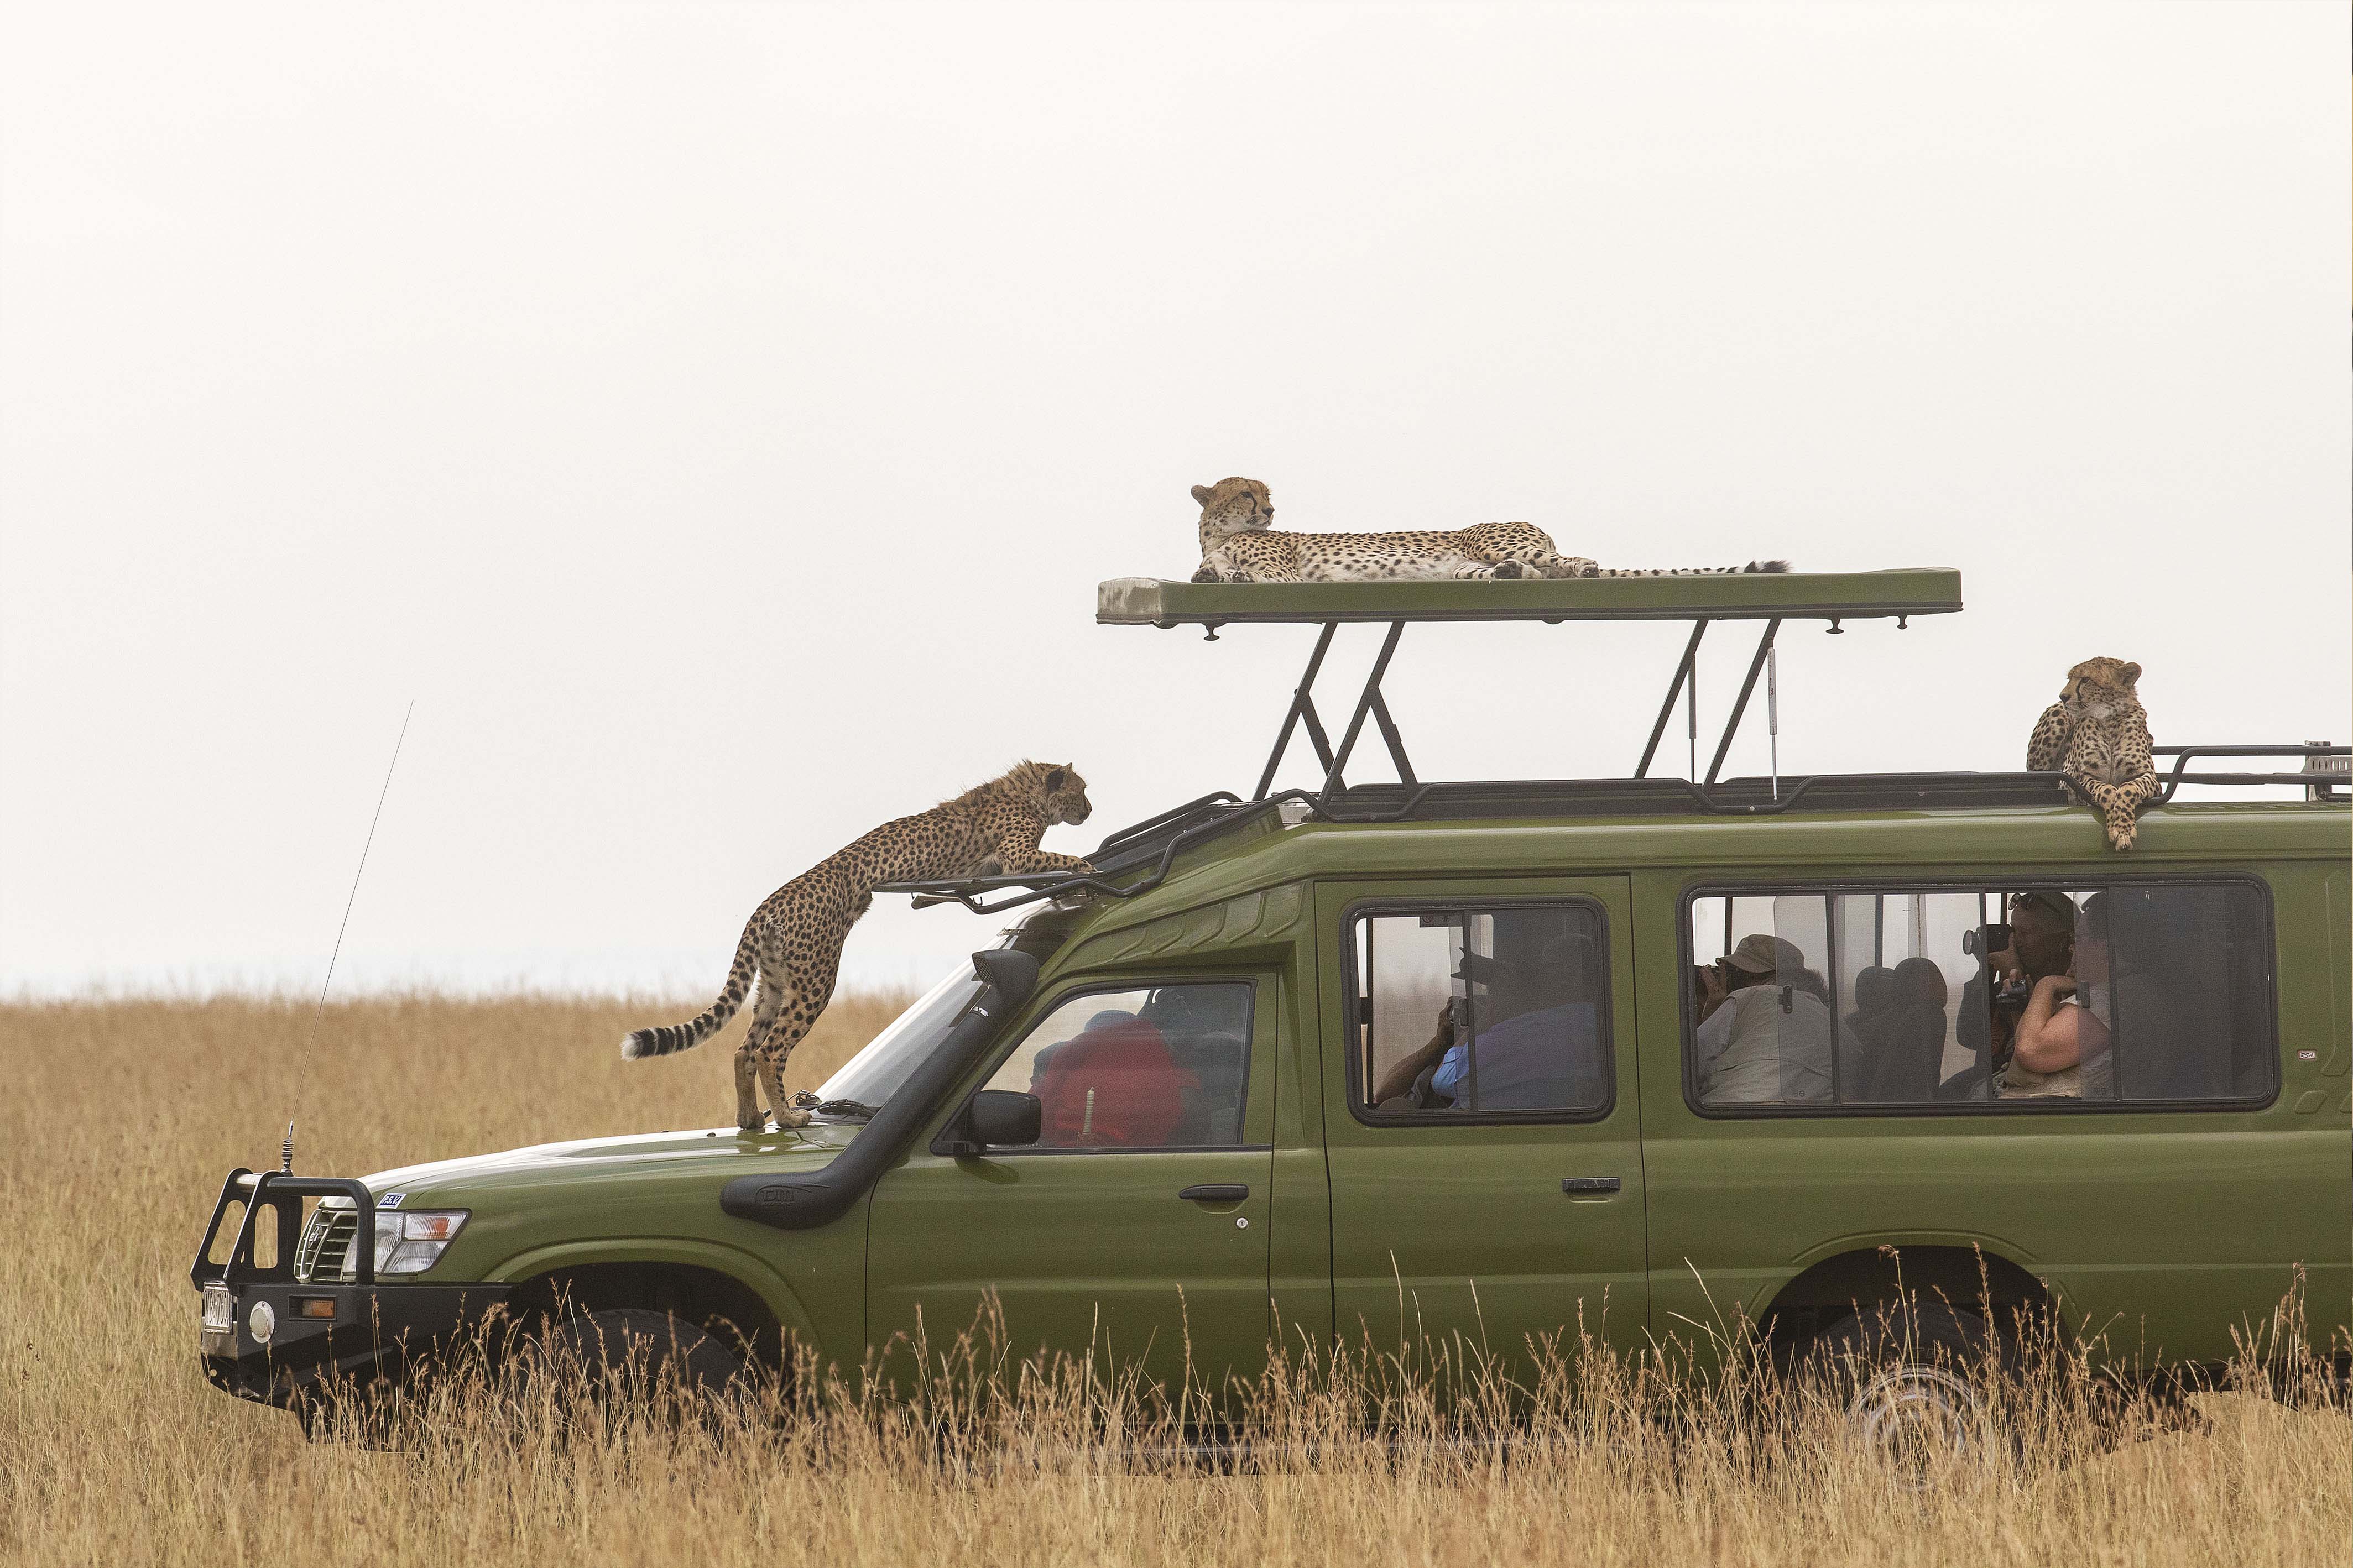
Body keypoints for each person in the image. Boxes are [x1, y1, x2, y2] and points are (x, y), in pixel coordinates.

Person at [1371, 947, 1600, 1111]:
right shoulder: (1567, 1025)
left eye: (1546, 968)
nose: (1540, 977)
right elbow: (1383, 1094)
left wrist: (1492, 1013)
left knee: (1394, 1110)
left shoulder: (1541, 1031)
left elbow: (1445, 1078)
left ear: (1571, 976)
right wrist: (1439, 1043)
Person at [1695, 933, 1833, 1103]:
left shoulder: (1750, 997)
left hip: (1727, 1115)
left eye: (1739, 974)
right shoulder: (1830, 1018)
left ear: (1773, 976)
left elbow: (1691, 1065)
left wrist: (1712, 1014)